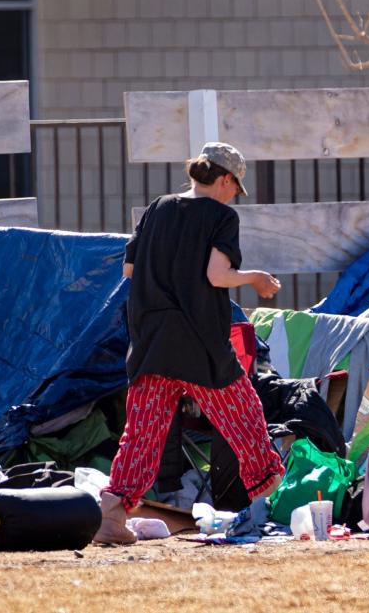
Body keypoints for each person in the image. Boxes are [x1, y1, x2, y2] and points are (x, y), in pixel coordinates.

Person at [94, 142, 285, 545]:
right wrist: (254, 277)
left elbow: (130, 269)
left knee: (143, 433)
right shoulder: (221, 216)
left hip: (151, 341)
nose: (235, 195)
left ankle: (111, 515)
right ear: (224, 179)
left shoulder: (157, 207)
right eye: (236, 187)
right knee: (244, 414)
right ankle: (269, 502)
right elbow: (217, 276)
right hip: (199, 342)